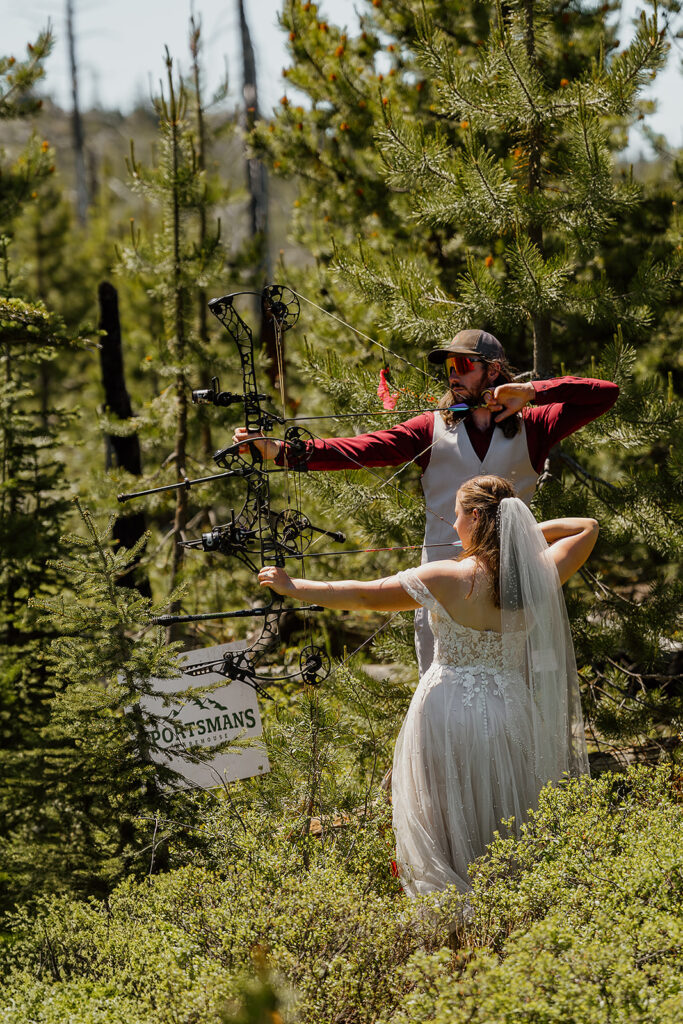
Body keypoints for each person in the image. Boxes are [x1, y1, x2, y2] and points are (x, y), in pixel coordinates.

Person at [258, 474, 596, 898]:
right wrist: (518, 538)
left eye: (457, 515)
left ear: (475, 517)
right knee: (507, 810)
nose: (454, 526)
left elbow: (364, 595)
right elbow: (588, 527)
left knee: (444, 818)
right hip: (510, 708)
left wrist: (293, 587)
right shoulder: (537, 575)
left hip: (447, 708)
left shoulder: (448, 576)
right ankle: (509, 907)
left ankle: (452, 917)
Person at [235, 328, 618, 675]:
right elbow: (358, 450)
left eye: (465, 364)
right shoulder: (430, 427)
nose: (454, 373)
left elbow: (606, 393)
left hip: (512, 585)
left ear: (494, 370)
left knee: (512, 706)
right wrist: (280, 452)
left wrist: (533, 392)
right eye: (450, 366)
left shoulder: (535, 426)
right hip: (441, 588)